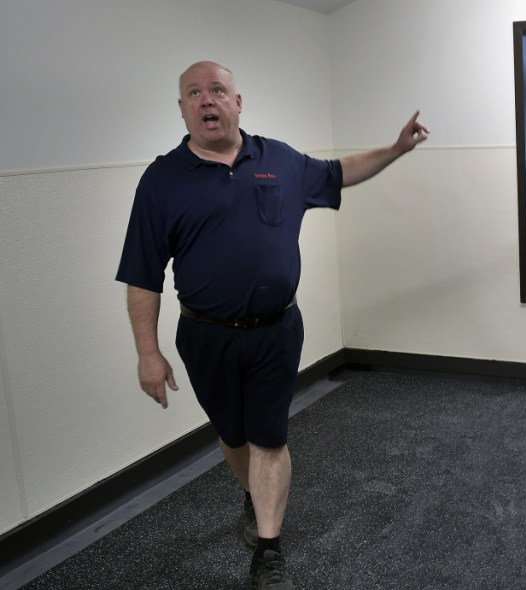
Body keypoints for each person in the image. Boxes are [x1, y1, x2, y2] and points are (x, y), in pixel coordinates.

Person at [116, 61, 428, 589]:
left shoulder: (278, 159)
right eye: (194, 93)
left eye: (217, 90)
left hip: (276, 330)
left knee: (267, 437)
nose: (207, 101)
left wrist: (395, 150)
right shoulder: (161, 180)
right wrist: (148, 354)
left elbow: (340, 172)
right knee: (232, 433)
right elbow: (142, 277)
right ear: (182, 109)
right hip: (204, 335)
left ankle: (268, 548)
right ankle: (255, 494)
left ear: (239, 102)